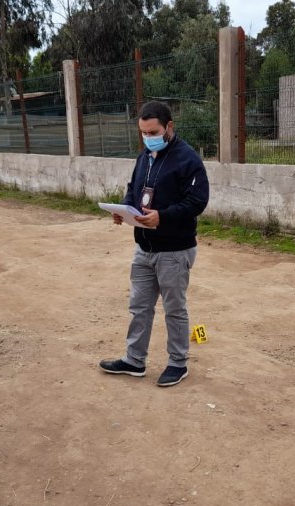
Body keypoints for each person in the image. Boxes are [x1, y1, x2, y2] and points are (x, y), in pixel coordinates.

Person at [99, 101, 210, 387]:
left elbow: (197, 202)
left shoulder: (188, 160)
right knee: (139, 307)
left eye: (153, 131)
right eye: (144, 133)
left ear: (169, 127)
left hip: (174, 250)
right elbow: (133, 190)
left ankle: (177, 363)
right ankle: (134, 360)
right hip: (144, 248)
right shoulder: (145, 157)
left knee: (174, 308)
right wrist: (124, 209)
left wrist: (163, 217)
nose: (148, 137)